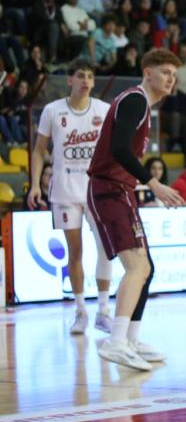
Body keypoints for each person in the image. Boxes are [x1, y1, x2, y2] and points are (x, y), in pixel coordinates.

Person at [86, 49, 186, 370]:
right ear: (147, 72)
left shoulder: (139, 103)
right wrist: (153, 183)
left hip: (121, 190)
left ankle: (130, 338)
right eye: (166, 72)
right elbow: (118, 149)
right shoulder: (135, 100)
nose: (171, 79)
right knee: (137, 269)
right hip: (109, 188)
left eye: (174, 74)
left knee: (147, 269)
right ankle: (115, 342)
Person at [27, 60, 115, 335]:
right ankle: (80, 311)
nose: (86, 80)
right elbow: (39, 150)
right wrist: (34, 185)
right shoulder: (53, 110)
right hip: (65, 190)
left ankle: (103, 311)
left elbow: (116, 149)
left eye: (90, 76)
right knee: (75, 252)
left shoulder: (103, 109)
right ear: (70, 80)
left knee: (105, 249)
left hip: (96, 190)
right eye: (80, 76)